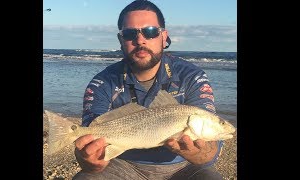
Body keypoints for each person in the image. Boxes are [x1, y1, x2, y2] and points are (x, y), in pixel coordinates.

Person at [73, 0, 223, 179]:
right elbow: (87, 155)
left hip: (183, 167)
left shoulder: (192, 76)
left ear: (164, 36)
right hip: (122, 164)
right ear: (121, 40)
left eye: (150, 32)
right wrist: (91, 161)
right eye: (129, 33)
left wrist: (198, 154)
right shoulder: (102, 83)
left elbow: (209, 156)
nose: (140, 40)